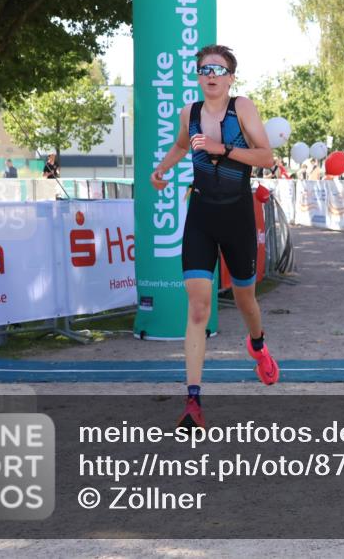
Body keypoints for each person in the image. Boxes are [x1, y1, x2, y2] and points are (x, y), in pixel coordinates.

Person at [149, 44, 279, 429]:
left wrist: (222, 149)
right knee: (198, 307)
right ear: (197, 76)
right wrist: (162, 170)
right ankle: (193, 401)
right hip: (201, 214)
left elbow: (266, 157)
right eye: (205, 69)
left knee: (245, 300)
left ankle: (257, 344)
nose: (211, 75)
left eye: (219, 70)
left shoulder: (243, 108)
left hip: (237, 215)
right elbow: (181, 144)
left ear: (230, 78)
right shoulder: (188, 113)